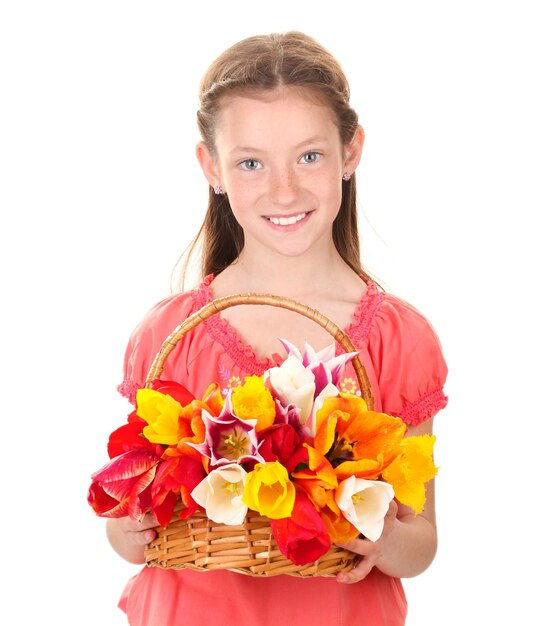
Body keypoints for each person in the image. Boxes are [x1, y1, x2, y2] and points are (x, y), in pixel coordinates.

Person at [106, 31, 448, 626]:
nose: (283, 189)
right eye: (250, 163)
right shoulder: (171, 335)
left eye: (309, 156)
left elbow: (421, 541)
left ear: (352, 151)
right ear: (211, 168)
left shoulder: (396, 339)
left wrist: (384, 540)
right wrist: (128, 528)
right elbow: (125, 526)